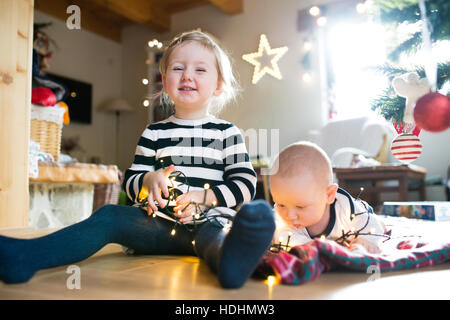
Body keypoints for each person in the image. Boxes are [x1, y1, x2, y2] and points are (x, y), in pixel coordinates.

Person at [0, 30, 275, 289]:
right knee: (109, 215)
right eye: (178, 68)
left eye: (200, 70)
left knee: (219, 236)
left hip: (209, 222)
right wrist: (147, 179)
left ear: (218, 86)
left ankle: (232, 263)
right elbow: (130, 182)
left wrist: (206, 198)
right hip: (157, 226)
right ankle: (25, 256)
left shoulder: (227, 133)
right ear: (165, 81)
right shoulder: (154, 132)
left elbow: (245, 183)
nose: (187, 76)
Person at [270, 141, 387, 254]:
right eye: (280, 204)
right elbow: (284, 239)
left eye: (300, 206)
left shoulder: (346, 208)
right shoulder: (282, 219)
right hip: (329, 239)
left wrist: (366, 241)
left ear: (329, 195)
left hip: (359, 214)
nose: (289, 215)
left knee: (375, 224)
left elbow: (373, 228)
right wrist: (312, 246)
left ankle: (379, 219)